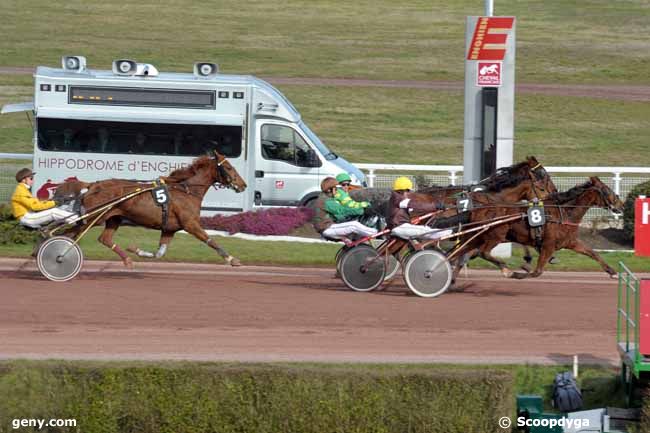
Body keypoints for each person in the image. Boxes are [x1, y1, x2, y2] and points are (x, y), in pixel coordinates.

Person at [312, 177, 377, 241]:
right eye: (335, 188)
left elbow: (338, 215)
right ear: (329, 190)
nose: (337, 190)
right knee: (354, 225)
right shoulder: (326, 201)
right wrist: (359, 210)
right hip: (327, 228)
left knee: (353, 224)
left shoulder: (325, 197)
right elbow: (342, 211)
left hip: (327, 226)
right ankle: (376, 233)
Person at [388, 176, 452, 241]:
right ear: (402, 190)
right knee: (430, 232)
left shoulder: (397, 199)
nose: (409, 193)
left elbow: (416, 208)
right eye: (408, 191)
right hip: (401, 227)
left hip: (401, 227)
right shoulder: (398, 199)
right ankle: (452, 232)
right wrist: (435, 206)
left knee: (427, 230)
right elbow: (417, 205)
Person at [11, 168, 76, 228]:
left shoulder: (23, 189)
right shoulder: (21, 191)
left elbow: (38, 203)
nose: (33, 181)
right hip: (26, 217)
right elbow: (34, 206)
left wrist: (53, 201)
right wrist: (55, 202)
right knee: (53, 212)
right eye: (31, 178)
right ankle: (76, 219)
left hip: (29, 215)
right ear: (23, 180)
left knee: (55, 210)